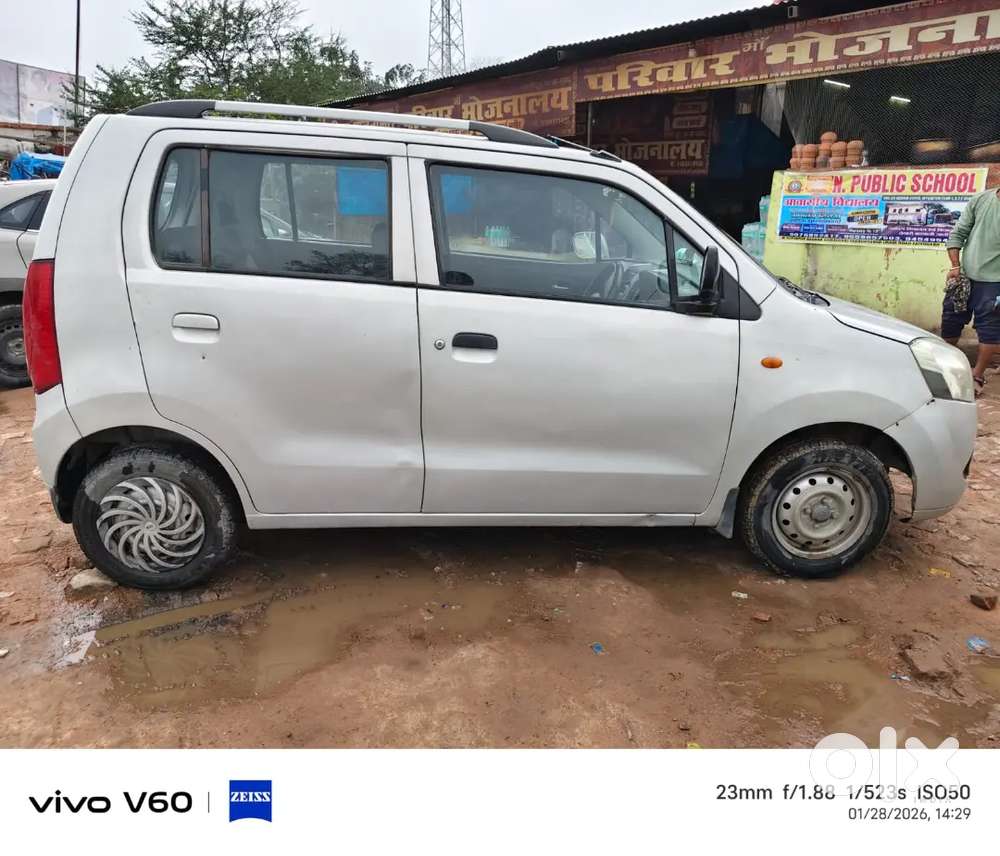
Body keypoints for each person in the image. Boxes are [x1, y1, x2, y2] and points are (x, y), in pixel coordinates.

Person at [942, 187, 1000, 397]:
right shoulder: (981, 200)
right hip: (964, 276)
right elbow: (958, 233)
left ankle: (977, 374)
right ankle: (944, 367)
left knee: (989, 329)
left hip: (995, 282)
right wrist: (955, 266)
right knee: (950, 320)